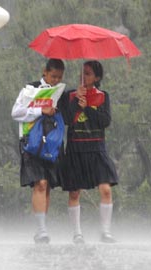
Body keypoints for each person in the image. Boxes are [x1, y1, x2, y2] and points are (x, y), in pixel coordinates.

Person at [59, 60, 118, 244]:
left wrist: (87, 109)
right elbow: (67, 119)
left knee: (106, 189)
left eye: (88, 73)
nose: (83, 76)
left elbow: (105, 121)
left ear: (97, 77)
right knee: (75, 192)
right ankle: (77, 233)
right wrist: (77, 102)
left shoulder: (102, 96)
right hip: (76, 147)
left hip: (96, 148)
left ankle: (106, 232)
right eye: (82, 72)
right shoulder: (69, 96)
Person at [11, 59, 65, 244]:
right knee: (39, 183)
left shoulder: (61, 93)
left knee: (47, 185)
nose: (55, 80)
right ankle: (41, 230)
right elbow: (16, 113)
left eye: (59, 77)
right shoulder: (30, 89)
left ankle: (41, 227)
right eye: (53, 76)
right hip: (31, 143)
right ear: (45, 72)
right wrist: (41, 111)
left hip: (51, 143)